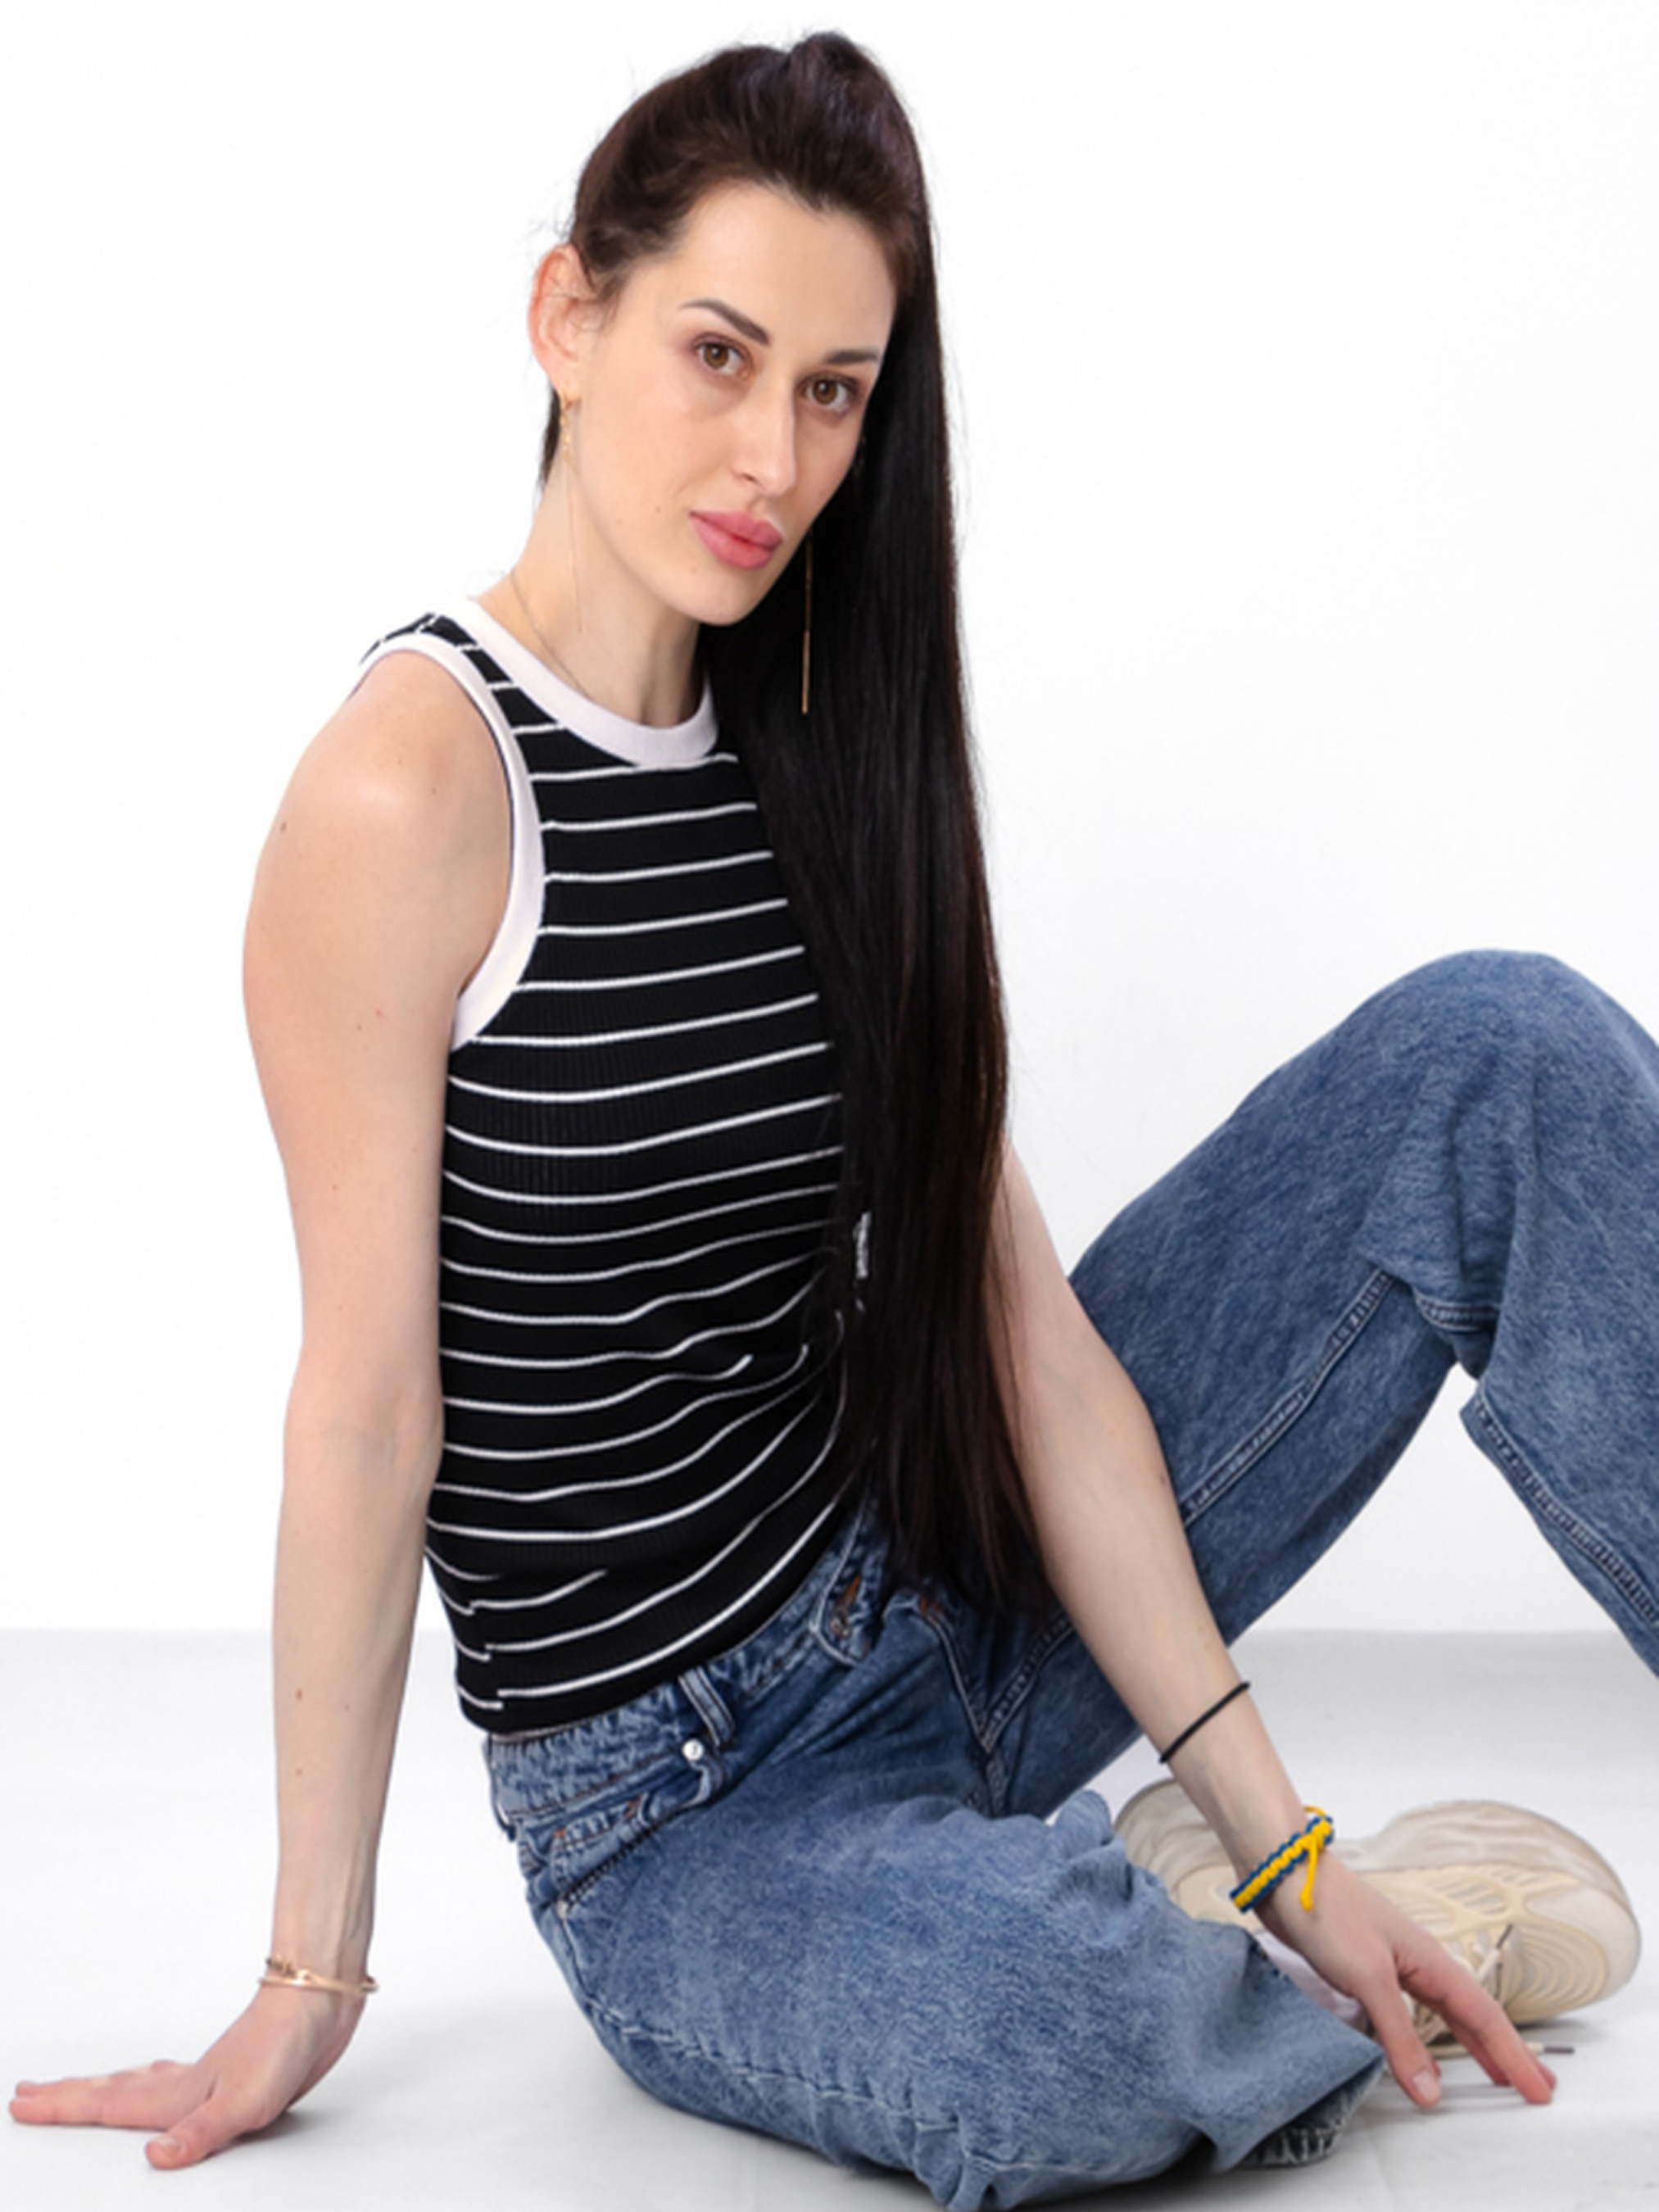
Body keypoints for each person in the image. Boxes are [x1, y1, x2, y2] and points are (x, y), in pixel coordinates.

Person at [11, 31, 1654, 2205]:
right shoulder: (411, 789)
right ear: (566, 315)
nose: (772, 457)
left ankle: (1213, 1900)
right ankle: (1136, 1947)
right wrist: (311, 1968)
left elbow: (1029, 1350)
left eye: (834, 391)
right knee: (1053, 2046)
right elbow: (368, 1413)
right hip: (690, 1819)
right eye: (717, 354)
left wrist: (1283, 1835)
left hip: (941, 1574)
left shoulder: (824, 738)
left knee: (1504, 1054)